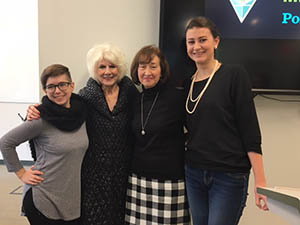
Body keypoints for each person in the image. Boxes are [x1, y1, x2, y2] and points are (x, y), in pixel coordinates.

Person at [27, 43, 138, 225]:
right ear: (94, 70)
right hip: (91, 175)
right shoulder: (85, 97)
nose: (107, 71)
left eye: (112, 66)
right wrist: (36, 110)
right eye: (102, 67)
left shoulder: (132, 94)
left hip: (124, 173)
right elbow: (58, 112)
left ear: (120, 68)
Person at [184, 16, 268, 225]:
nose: (196, 47)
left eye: (202, 40)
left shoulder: (234, 75)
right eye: (191, 41)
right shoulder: (188, 83)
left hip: (228, 176)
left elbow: (250, 131)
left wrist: (261, 181)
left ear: (216, 41)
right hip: (194, 172)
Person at [0, 64, 89, 225]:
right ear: (44, 90)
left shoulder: (81, 113)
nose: (57, 90)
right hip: (43, 197)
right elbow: (6, 143)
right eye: (51, 86)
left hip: (70, 199)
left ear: (72, 85)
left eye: (62, 84)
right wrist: (22, 173)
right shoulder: (40, 118)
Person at [125, 45, 191, 224]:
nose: (147, 72)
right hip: (138, 180)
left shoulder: (177, 97)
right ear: (136, 70)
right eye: (142, 66)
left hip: (170, 181)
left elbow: (196, 131)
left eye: (153, 66)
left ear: (162, 70)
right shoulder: (135, 99)